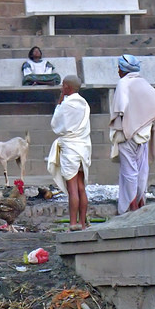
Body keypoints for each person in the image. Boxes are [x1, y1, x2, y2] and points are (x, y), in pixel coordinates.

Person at [109, 54, 155, 216]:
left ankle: (131, 206)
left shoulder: (123, 83)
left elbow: (120, 108)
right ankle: (140, 200)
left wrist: (130, 123)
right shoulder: (143, 82)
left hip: (127, 135)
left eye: (119, 67)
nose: (118, 71)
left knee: (129, 170)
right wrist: (146, 122)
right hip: (143, 135)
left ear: (123, 69)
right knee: (142, 169)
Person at [47, 75, 92, 230]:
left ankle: (73, 223)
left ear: (67, 87)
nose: (61, 88)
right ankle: (83, 224)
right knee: (81, 187)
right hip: (84, 146)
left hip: (71, 147)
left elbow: (55, 124)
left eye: (63, 86)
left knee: (72, 188)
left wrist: (60, 102)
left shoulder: (67, 105)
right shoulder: (85, 104)